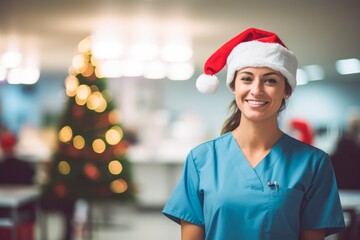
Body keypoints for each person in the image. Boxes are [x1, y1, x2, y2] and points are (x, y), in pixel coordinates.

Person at [162, 28, 345, 240]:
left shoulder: (313, 164)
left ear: (286, 90)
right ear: (233, 86)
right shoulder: (201, 160)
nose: (256, 90)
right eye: (247, 79)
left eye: (270, 80)